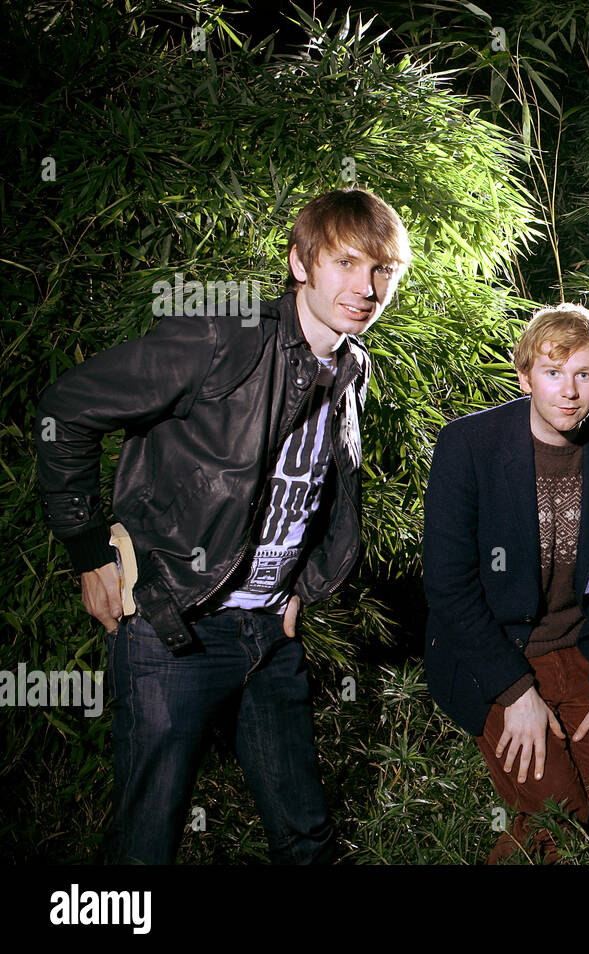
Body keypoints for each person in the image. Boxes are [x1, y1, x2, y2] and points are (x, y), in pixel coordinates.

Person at [35, 188, 411, 864]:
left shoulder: (353, 367)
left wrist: (305, 588)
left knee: (307, 836)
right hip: (174, 627)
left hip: (270, 633)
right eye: (347, 264)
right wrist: (89, 553)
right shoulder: (222, 337)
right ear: (300, 262)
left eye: (384, 270)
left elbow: (325, 495)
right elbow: (66, 409)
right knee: (146, 842)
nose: (367, 287)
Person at [423, 303, 589, 863]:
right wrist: (515, 692)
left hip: (578, 649)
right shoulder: (469, 445)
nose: (569, 391)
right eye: (553, 372)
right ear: (525, 377)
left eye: (584, 374)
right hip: (495, 654)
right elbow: (449, 585)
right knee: (560, 822)